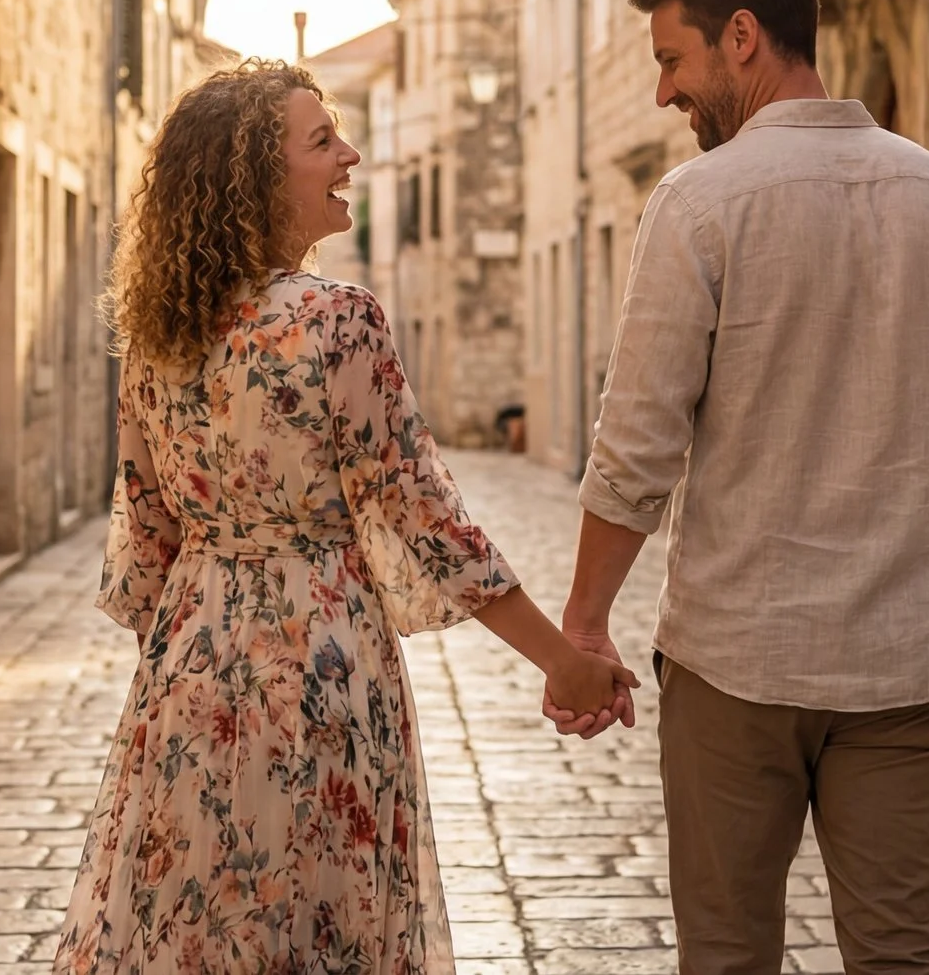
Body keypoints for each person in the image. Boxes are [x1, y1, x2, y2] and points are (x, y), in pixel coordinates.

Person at [58, 60, 638, 975]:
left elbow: (146, 540)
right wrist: (564, 659)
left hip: (188, 674)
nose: (351, 154)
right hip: (321, 661)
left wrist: (188, 679)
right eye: (322, 141)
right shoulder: (338, 321)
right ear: (255, 176)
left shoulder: (156, 334)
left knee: (203, 934)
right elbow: (425, 518)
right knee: (322, 931)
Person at [547, 0, 929, 975]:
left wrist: (585, 623)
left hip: (737, 661)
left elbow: (636, 447)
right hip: (905, 663)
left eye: (671, 61)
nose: (663, 93)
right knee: (903, 953)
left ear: (742, 36)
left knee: (726, 956)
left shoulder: (700, 205)